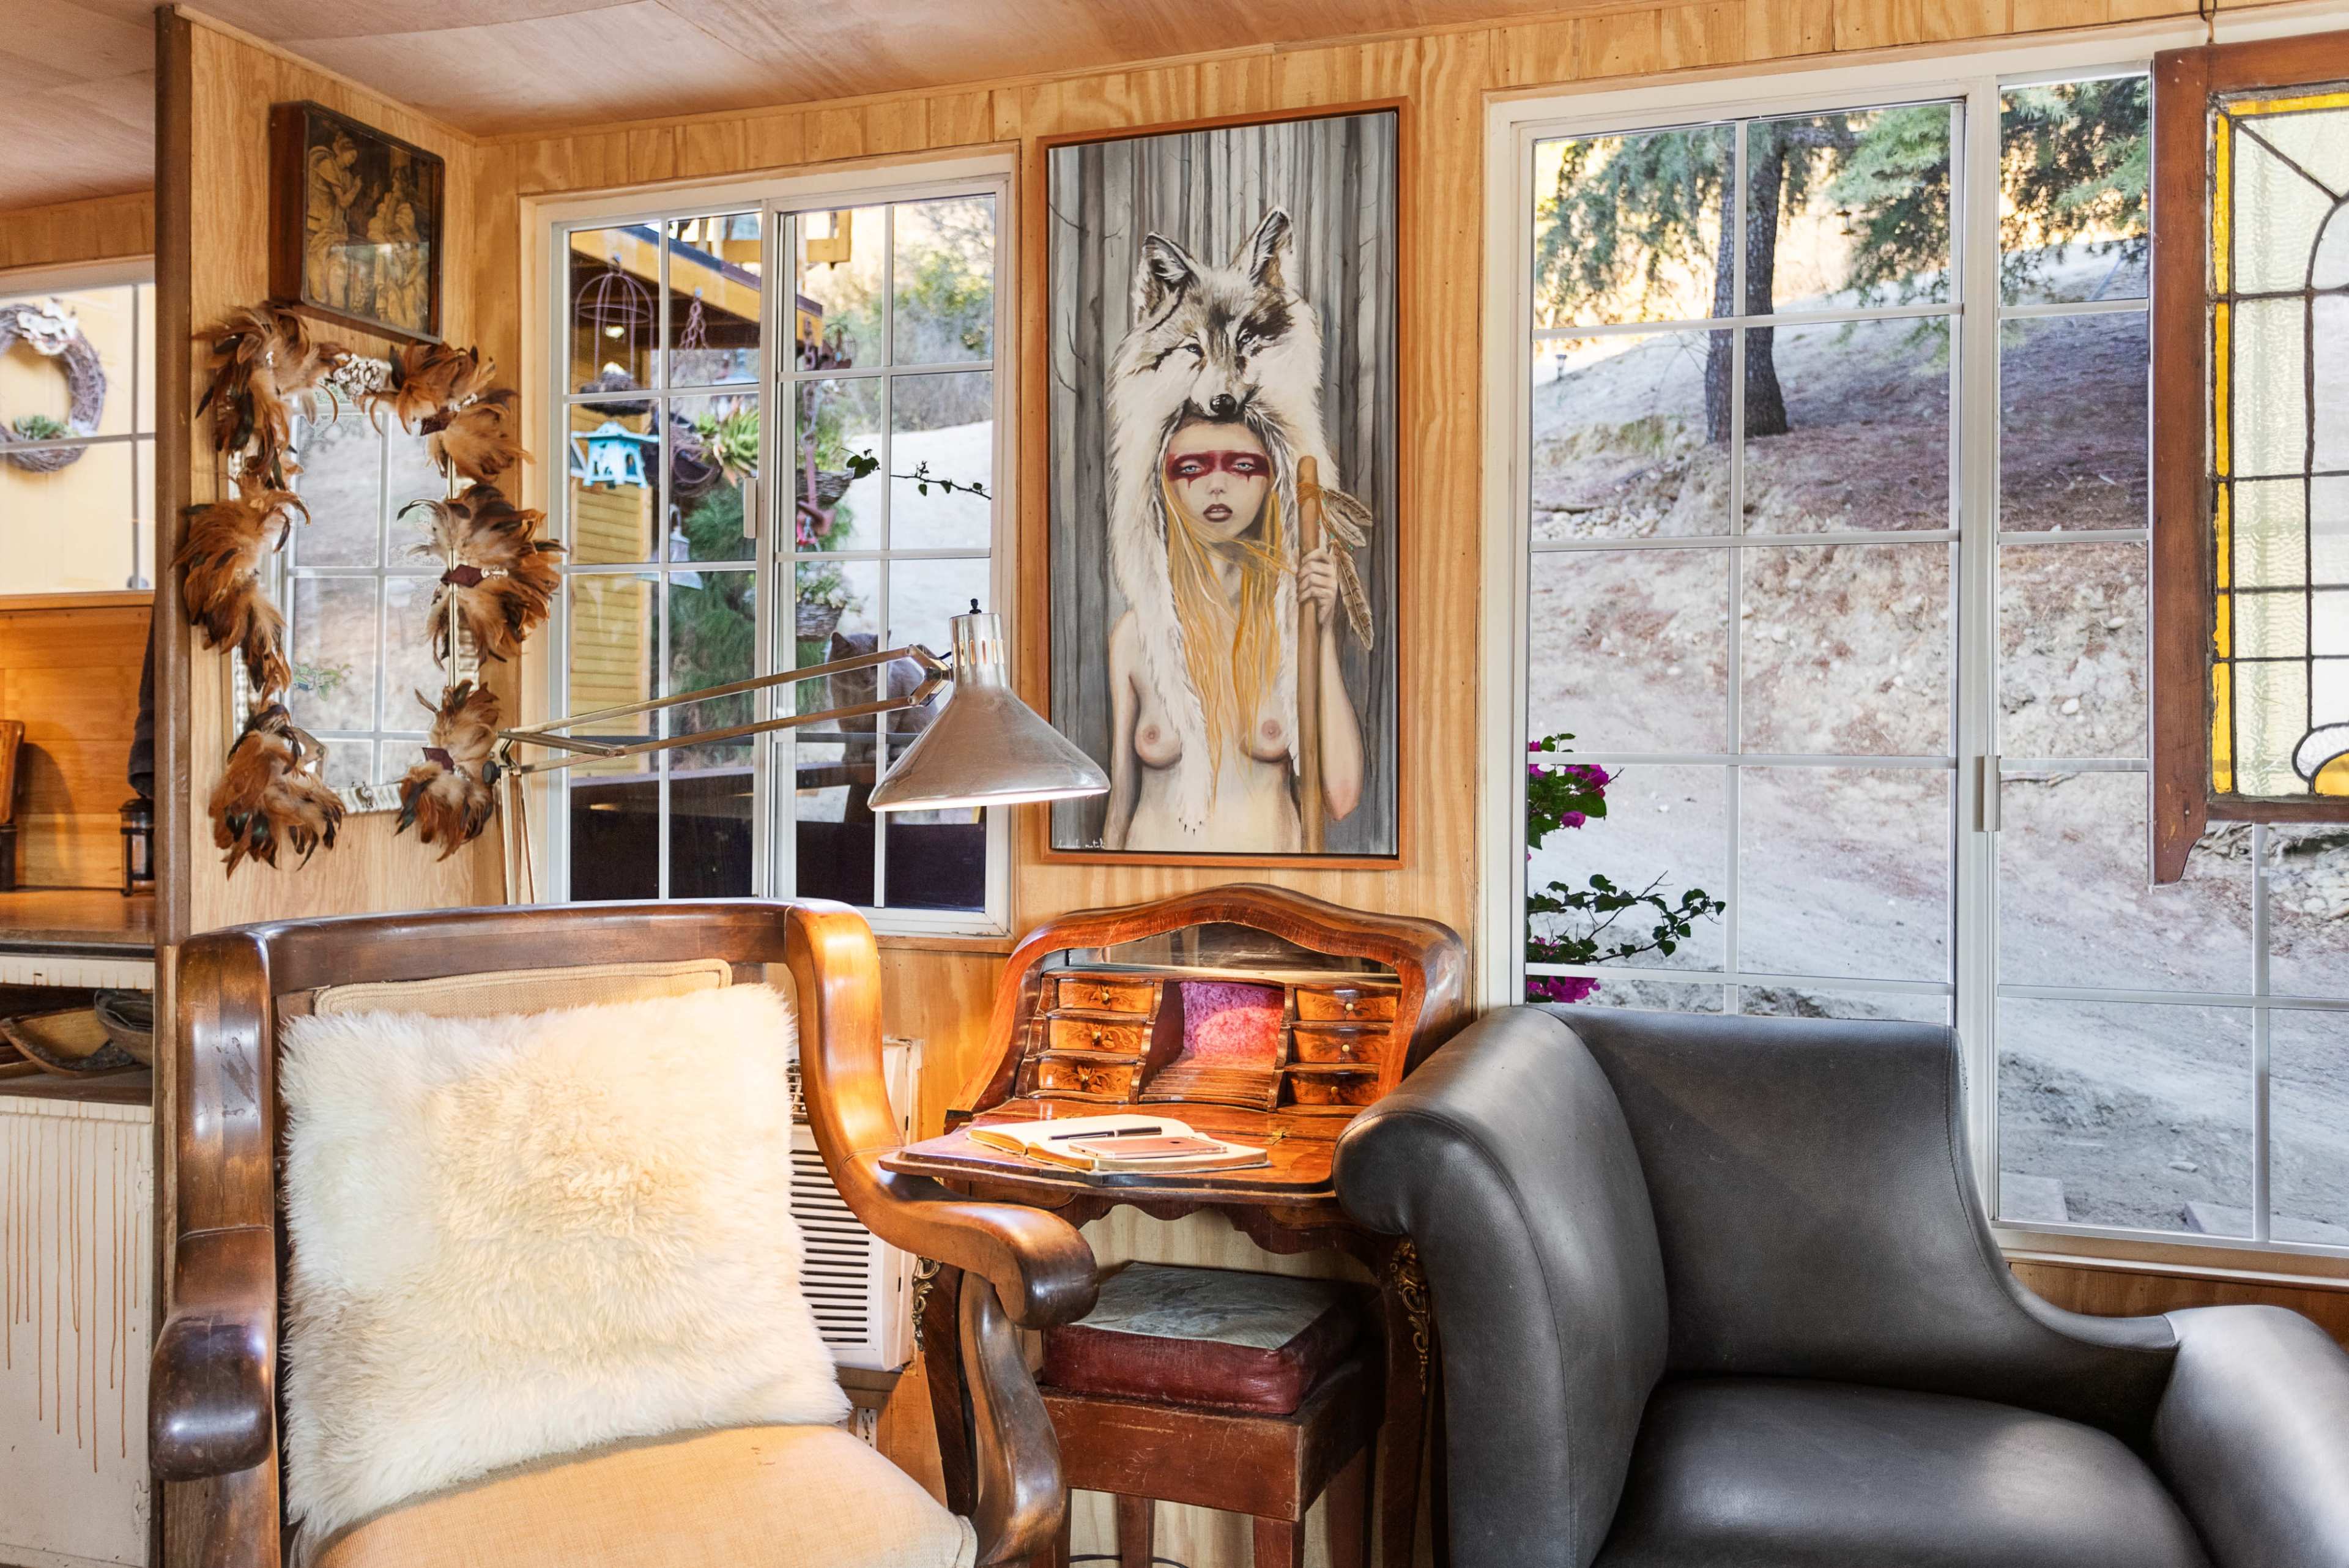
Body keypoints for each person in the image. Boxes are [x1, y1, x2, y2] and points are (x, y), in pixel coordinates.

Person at [1103, 415, 1362, 853]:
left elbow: (1341, 797)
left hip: (1267, 909)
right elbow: (1119, 809)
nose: (1217, 485)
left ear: (1271, 481)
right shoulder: (1135, 635)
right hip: (1154, 908)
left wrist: (1322, 633)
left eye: (1242, 466)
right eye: (1192, 468)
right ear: (1164, 486)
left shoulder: (1291, 626)